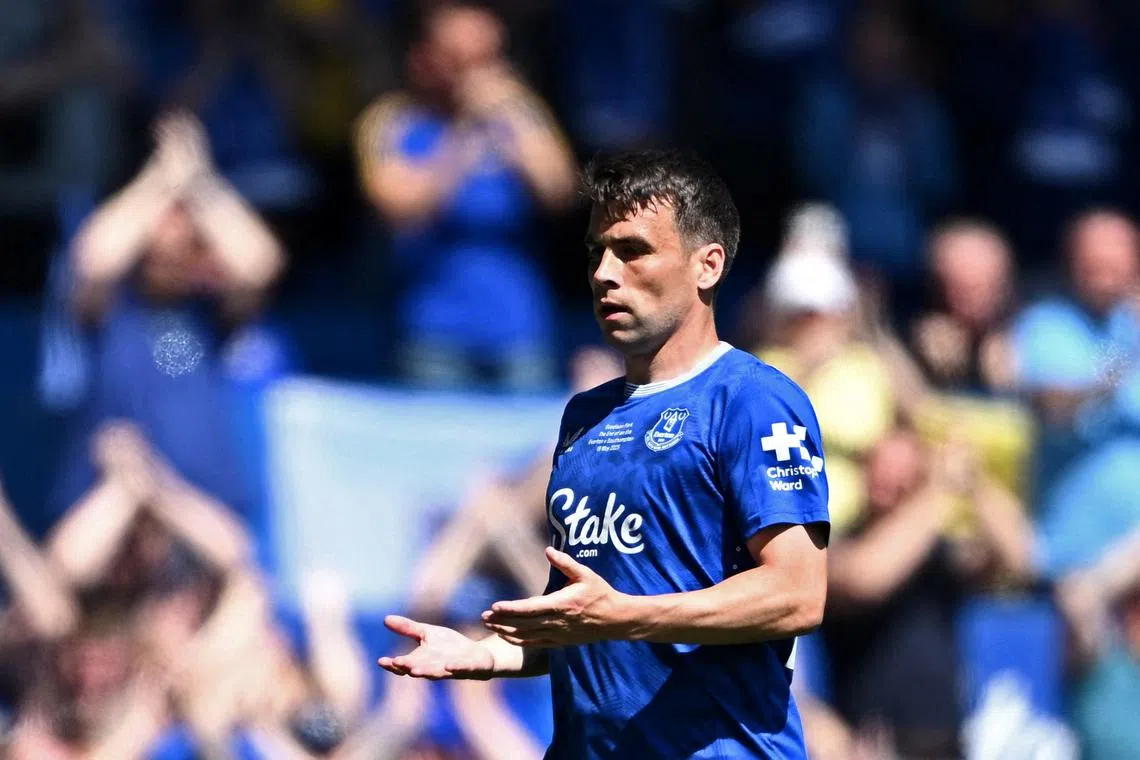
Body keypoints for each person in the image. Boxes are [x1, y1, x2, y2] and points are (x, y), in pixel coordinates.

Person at [378, 150, 830, 758]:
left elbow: (798, 594)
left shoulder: (753, 400)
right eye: (596, 253)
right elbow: (577, 619)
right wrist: (485, 655)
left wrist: (625, 614)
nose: (604, 273)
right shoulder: (584, 418)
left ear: (708, 265)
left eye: (632, 250)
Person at [47, 112, 283, 537]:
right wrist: (160, 179)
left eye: (183, 217)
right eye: (165, 216)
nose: (173, 230)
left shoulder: (210, 312)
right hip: (113, 510)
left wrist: (200, 182)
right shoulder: (111, 307)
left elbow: (260, 264)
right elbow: (92, 258)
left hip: (205, 511)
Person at [354, 0, 576, 389]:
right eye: (461, 60)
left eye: (488, 59)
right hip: (433, 332)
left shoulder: (521, 115)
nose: (477, 75)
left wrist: (516, 122)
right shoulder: (392, 121)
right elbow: (398, 206)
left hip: (520, 329)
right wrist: (461, 135)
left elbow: (561, 191)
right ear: (422, 57)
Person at [822, 428, 1032, 759]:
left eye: (902, 470)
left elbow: (1019, 559)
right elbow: (867, 578)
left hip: (946, 745)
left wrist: (975, 482)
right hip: (870, 747)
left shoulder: (940, 555)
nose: (888, 479)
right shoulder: (837, 546)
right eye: (881, 465)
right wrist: (938, 490)